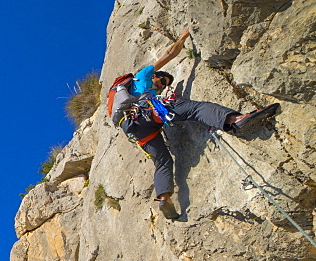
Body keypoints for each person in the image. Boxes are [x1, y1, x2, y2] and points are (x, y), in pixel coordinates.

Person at [110, 27, 279, 219]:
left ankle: (164, 198)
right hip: (146, 113)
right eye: (162, 81)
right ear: (155, 76)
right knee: (195, 108)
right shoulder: (143, 75)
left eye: (165, 84)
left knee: (163, 161)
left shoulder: (126, 96)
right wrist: (184, 36)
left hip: (135, 129)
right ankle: (236, 120)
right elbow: (169, 53)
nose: (162, 85)